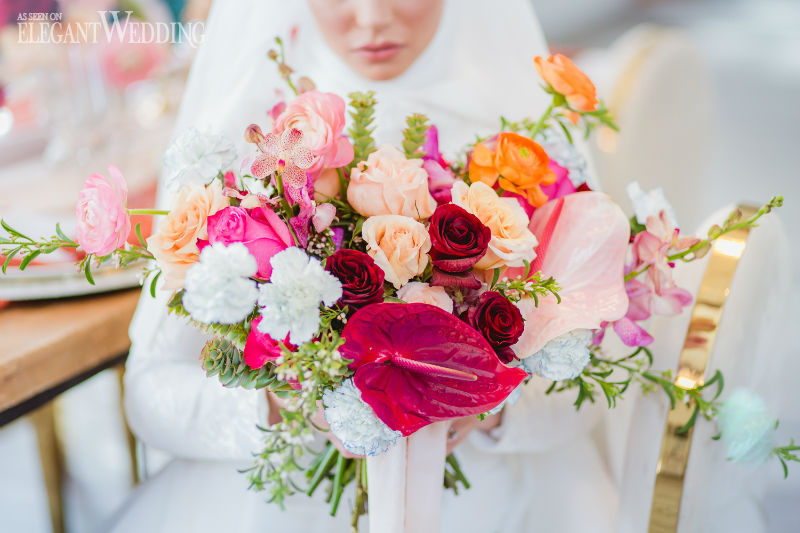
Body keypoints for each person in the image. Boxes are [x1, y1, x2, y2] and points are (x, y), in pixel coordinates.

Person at [112, 1, 618, 531]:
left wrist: (491, 406)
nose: (372, 17)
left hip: (494, 497)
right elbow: (149, 397)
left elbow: (590, 378)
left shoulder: (521, 146)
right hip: (286, 498)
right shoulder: (247, 141)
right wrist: (290, 406)